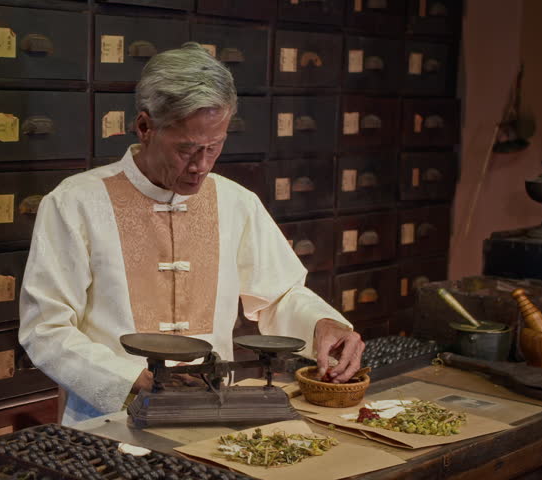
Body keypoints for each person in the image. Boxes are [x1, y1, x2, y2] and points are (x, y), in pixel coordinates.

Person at [19, 43, 364, 425]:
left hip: (211, 411)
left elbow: (278, 295)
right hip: (109, 419)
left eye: (214, 147)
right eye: (186, 150)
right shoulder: (75, 203)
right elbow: (45, 329)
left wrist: (323, 323)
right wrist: (134, 378)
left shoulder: (235, 202)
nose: (201, 166)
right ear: (145, 127)